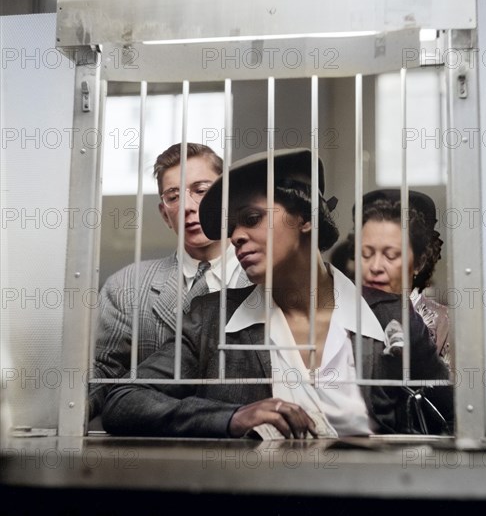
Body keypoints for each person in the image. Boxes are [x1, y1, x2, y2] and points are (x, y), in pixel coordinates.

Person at [102, 148, 452, 438]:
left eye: (252, 218)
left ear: (305, 217)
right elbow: (123, 399)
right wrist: (232, 417)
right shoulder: (210, 319)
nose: (236, 236)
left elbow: (449, 420)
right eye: (231, 226)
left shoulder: (390, 316)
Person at [89, 143, 250, 421]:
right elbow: (103, 373)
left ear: (230, 198)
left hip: (246, 443)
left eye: (201, 191)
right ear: (165, 214)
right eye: (173, 197)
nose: (188, 206)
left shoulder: (264, 281)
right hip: (153, 441)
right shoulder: (127, 287)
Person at [354, 189, 450, 366]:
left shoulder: (445, 323)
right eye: (365, 254)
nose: (375, 267)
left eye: (391, 255)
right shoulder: (341, 313)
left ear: (420, 262)